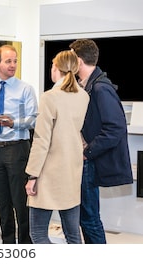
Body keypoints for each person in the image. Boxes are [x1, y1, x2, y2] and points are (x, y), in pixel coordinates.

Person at [69, 39, 134, 244]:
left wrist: (87, 152)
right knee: (86, 219)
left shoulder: (100, 88)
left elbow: (115, 128)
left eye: (71, 57)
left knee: (89, 220)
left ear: (78, 61)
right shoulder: (87, 86)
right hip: (89, 162)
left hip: (91, 161)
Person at [25, 50, 89, 244]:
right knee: (73, 236)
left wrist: (32, 175)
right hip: (71, 172)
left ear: (56, 69)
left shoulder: (49, 97)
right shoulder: (83, 96)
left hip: (49, 173)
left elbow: (42, 140)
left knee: (37, 234)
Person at [0, 44, 38, 244]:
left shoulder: (25, 89)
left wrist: (13, 123)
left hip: (17, 148)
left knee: (20, 202)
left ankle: (25, 246)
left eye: (15, 61)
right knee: (2, 202)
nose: (13, 65)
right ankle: (8, 245)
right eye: (8, 61)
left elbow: (33, 119)